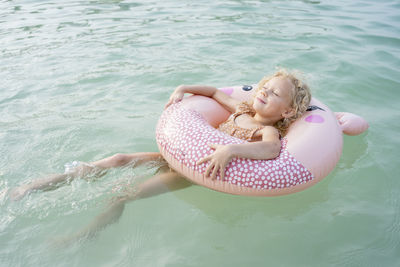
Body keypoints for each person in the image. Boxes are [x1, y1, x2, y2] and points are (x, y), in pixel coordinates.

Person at [9, 69, 311, 242]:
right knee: (118, 158)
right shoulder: (241, 109)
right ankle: (36, 185)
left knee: (122, 194)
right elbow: (212, 92)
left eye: (274, 94)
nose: (264, 92)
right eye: (265, 86)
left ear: (287, 111)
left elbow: (272, 151)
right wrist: (182, 88)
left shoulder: (267, 132)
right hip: (177, 154)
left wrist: (231, 149)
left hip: (190, 173)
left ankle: (84, 235)